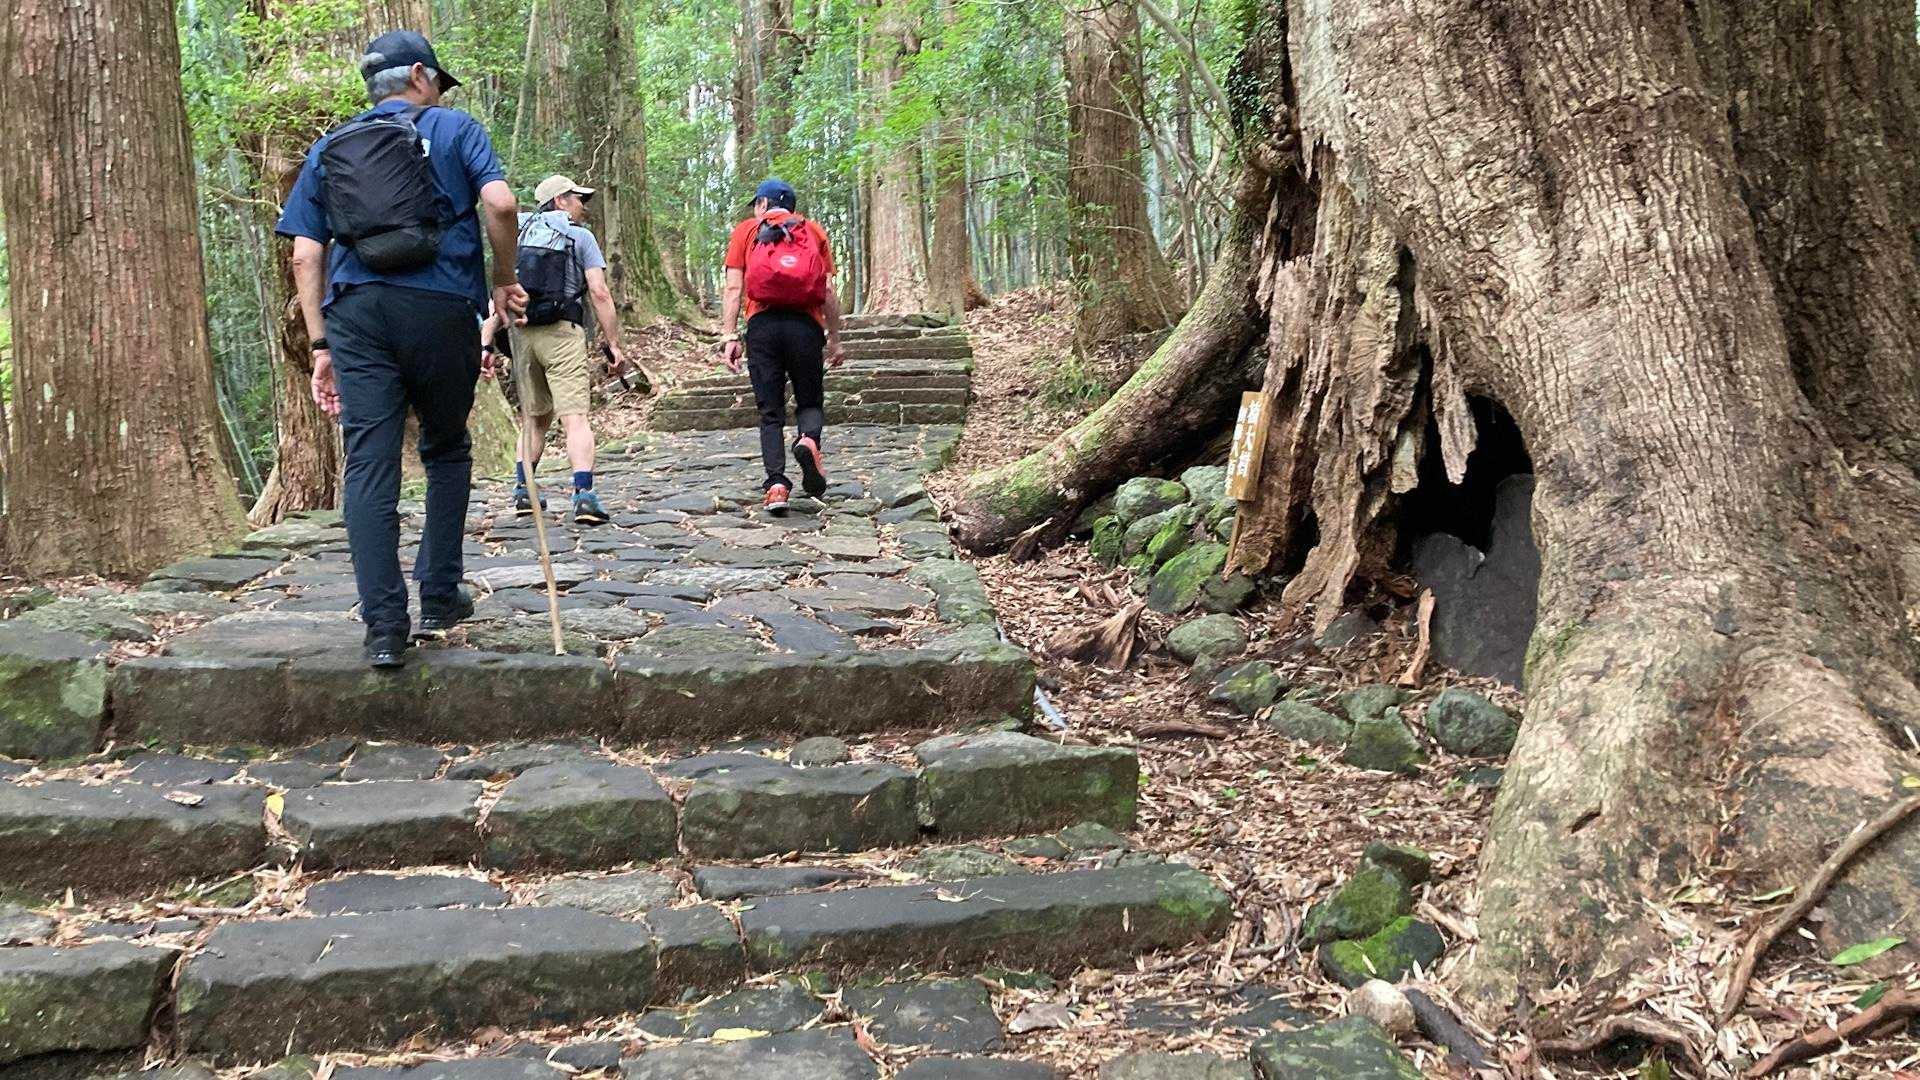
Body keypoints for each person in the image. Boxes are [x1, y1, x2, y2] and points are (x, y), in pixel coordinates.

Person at [276, 30, 527, 669]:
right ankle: (440, 595)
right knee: (445, 446)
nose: (440, 92)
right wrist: (504, 279)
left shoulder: (331, 145)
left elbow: (305, 253)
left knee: (369, 461)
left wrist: (321, 344)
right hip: (441, 305)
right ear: (419, 74)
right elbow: (500, 203)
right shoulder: (455, 128)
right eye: (438, 81)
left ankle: (384, 627)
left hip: (357, 313)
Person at [483, 175, 626, 525]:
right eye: (578, 199)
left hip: (521, 335)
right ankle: (584, 495)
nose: (583, 206)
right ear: (560, 200)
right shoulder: (579, 236)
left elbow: (499, 291)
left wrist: (486, 340)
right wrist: (613, 343)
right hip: (562, 332)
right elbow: (599, 292)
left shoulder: (517, 235)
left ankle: (524, 491)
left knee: (534, 418)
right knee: (574, 416)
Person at [718, 178, 847, 514]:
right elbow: (827, 292)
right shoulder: (812, 231)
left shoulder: (746, 231)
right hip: (806, 326)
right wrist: (834, 339)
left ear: (763, 204)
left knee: (770, 411)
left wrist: (729, 336)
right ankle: (808, 440)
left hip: (762, 327)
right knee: (809, 400)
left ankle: (776, 485)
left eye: (756, 204)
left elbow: (733, 289)